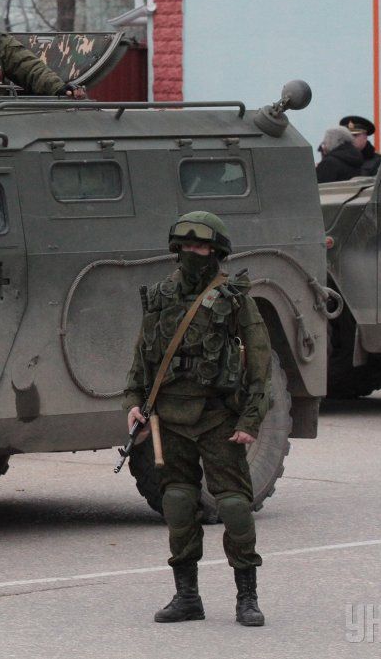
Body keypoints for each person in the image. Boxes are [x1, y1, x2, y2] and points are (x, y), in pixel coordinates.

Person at [123, 211, 271, 627]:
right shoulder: (161, 297)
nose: (193, 252)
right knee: (178, 503)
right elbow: (142, 358)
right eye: (186, 246)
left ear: (216, 251)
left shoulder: (235, 299)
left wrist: (250, 420)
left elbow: (260, 366)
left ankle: (247, 597)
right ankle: (187, 596)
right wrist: (134, 401)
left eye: (201, 247)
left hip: (218, 417)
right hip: (169, 417)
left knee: (235, 506)